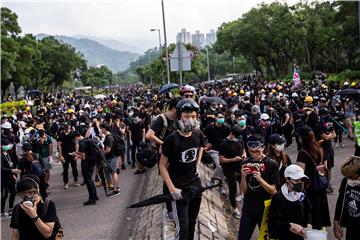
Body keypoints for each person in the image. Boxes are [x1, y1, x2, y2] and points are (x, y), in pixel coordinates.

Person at [159, 99, 205, 240]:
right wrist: (172, 189)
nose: (190, 120)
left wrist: (196, 164)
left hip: (195, 187)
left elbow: (201, 147)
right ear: (179, 116)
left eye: (193, 116)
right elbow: (162, 166)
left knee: (192, 224)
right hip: (179, 190)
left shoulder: (198, 134)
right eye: (186, 116)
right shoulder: (171, 140)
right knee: (182, 230)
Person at [238, 134, 280, 240]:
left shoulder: (272, 164)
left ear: (263, 148)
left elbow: (273, 191)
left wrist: (260, 180)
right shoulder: (246, 163)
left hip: (265, 209)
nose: (254, 155)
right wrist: (243, 176)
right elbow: (243, 190)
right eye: (251, 152)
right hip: (248, 208)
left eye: (257, 151)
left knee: (267, 238)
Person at [296, 126, 331, 230]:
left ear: (301, 138)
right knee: (321, 213)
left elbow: (300, 174)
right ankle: (322, 231)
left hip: (310, 188)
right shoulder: (320, 149)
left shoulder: (302, 153)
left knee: (312, 215)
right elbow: (326, 168)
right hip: (321, 186)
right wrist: (326, 182)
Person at [268, 164, 312, 240]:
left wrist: (309, 224)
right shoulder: (278, 197)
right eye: (296, 180)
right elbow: (272, 223)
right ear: (287, 179)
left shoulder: (302, 192)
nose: (300, 183)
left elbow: (308, 210)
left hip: (302, 236)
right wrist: (290, 225)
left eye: (302, 180)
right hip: (285, 236)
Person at [10, 174, 57, 240]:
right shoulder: (17, 208)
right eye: (24, 194)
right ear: (19, 194)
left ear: (38, 190)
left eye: (33, 192)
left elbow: (47, 233)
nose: (29, 196)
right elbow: (15, 235)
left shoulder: (48, 204)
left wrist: (33, 215)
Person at [219, 125, 247, 219]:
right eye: (235, 137)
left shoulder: (239, 139)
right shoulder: (224, 143)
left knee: (244, 185)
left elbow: (243, 150)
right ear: (231, 133)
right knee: (233, 188)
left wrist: (243, 155)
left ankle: (244, 204)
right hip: (229, 168)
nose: (237, 139)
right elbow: (221, 160)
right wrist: (233, 159)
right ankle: (234, 209)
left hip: (240, 166)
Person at [333, 156, 360, 240]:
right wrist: (336, 221)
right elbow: (341, 200)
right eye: (348, 177)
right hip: (351, 227)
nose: (350, 180)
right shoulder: (346, 181)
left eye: (353, 177)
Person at [73, 131, 99, 205]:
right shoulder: (86, 140)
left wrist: (77, 155)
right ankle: (95, 196)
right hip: (91, 162)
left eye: (75, 139)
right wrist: (77, 153)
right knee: (90, 180)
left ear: (76, 137)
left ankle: (92, 199)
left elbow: (83, 157)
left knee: (88, 181)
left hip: (86, 164)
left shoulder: (81, 144)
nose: (75, 140)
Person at [1, 138, 20, 219]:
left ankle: (10, 209)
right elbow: (1, 168)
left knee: (13, 192)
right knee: (4, 195)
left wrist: (14, 174)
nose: (8, 146)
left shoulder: (7, 153)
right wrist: (12, 170)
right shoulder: (1, 155)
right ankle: (1, 212)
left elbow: (10, 164)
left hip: (10, 177)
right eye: (6, 145)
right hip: (4, 179)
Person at [57, 122, 79, 189]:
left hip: (73, 154)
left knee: (74, 168)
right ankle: (66, 183)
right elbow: (59, 145)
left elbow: (76, 143)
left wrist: (76, 154)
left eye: (68, 125)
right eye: (66, 126)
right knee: (65, 170)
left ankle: (75, 181)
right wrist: (60, 155)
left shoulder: (73, 133)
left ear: (70, 126)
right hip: (64, 154)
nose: (67, 127)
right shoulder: (61, 134)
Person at [100, 123, 120, 197]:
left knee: (113, 173)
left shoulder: (109, 138)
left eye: (101, 128)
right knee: (113, 172)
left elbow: (108, 150)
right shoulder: (108, 136)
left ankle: (116, 190)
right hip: (112, 157)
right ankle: (116, 187)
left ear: (104, 129)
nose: (100, 130)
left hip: (111, 157)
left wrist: (102, 153)